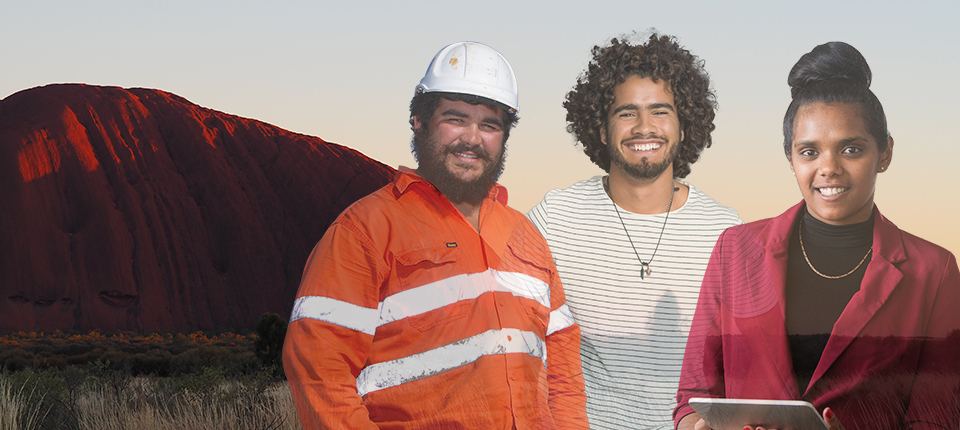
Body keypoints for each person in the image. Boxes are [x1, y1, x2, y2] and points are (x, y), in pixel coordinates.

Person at [283, 41, 589, 429]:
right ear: (419, 120)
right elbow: (318, 369)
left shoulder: (525, 235)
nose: (473, 138)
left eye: (490, 125)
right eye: (456, 119)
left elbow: (562, 361)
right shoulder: (364, 230)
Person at [674, 41, 960, 430]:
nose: (829, 168)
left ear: (885, 154)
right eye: (809, 152)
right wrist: (697, 427)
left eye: (851, 149)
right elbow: (694, 394)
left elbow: (938, 417)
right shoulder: (735, 250)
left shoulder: (934, 271)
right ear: (789, 158)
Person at [526, 33, 741, 430]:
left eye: (660, 111)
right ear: (603, 130)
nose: (645, 128)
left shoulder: (726, 231)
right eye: (627, 113)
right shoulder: (554, 218)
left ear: (682, 125)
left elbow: (744, 364)